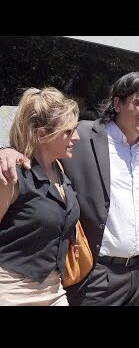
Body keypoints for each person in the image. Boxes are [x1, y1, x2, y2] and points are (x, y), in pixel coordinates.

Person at [0, 72, 139, 305]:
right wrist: (7, 151)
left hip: (136, 275)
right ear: (117, 103)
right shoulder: (84, 135)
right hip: (95, 277)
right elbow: (39, 138)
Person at [0, 87, 80, 305]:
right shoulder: (12, 174)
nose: (77, 137)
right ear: (43, 134)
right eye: (68, 132)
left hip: (54, 288)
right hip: (10, 290)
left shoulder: (61, 171)